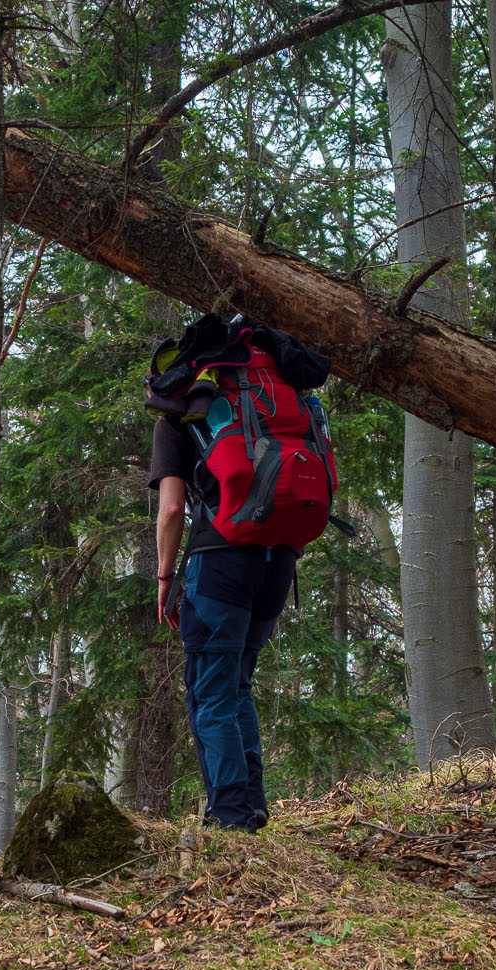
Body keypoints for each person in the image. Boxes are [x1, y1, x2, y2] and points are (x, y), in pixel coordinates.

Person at [146, 316, 337, 832]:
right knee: (238, 686)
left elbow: (170, 510)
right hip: (278, 563)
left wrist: (165, 579)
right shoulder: (285, 408)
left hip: (220, 561)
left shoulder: (181, 418)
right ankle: (251, 806)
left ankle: (230, 815)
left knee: (210, 692)